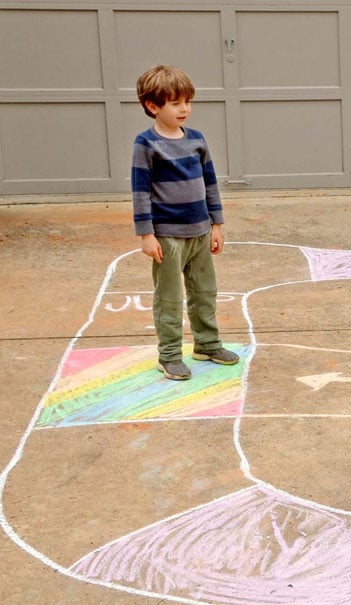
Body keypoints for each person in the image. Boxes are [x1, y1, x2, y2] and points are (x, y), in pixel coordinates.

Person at [131, 65, 238, 381]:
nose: (184, 109)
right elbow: (140, 191)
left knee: (205, 291)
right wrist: (146, 234)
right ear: (153, 106)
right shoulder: (146, 143)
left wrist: (216, 224)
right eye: (175, 103)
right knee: (169, 298)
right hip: (167, 237)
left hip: (201, 232)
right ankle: (169, 356)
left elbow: (210, 182)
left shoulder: (196, 139)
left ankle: (207, 344)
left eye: (187, 102)